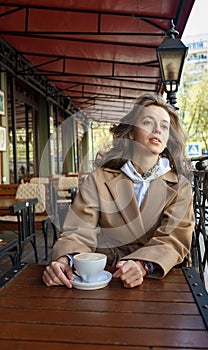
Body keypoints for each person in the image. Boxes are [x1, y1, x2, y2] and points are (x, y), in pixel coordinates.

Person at [43, 93, 194, 289]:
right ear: (131, 133)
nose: (158, 129)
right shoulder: (98, 179)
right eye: (148, 122)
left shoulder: (179, 186)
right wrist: (64, 262)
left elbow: (173, 239)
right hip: (102, 277)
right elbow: (79, 231)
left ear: (167, 140)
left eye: (164, 126)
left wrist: (142, 264)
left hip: (155, 280)